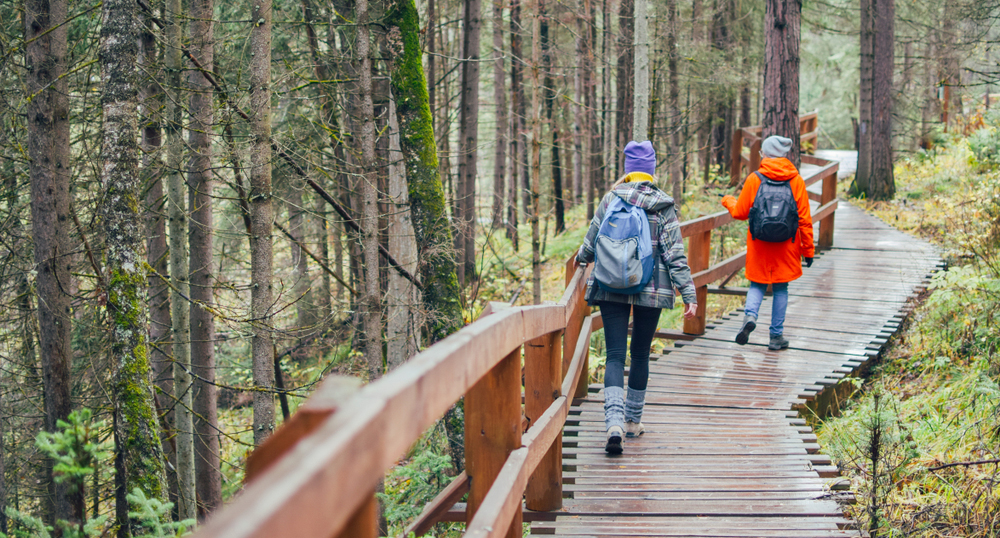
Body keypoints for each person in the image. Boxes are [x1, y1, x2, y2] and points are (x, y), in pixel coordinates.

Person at [576, 140, 698, 455]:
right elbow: (675, 255)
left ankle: (613, 422)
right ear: (652, 169)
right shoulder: (663, 204)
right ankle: (632, 422)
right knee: (640, 354)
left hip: (610, 286)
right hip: (652, 289)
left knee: (616, 355)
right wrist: (688, 292)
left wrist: (581, 260)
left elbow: (590, 243)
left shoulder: (611, 199)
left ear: (627, 169)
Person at [721, 135, 814, 351]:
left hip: (759, 244)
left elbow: (740, 212)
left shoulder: (755, 179)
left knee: (757, 284)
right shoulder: (796, 180)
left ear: (765, 154)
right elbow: (805, 221)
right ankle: (775, 336)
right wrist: (808, 251)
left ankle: (750, 317)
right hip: (787, 246)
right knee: (781, 289)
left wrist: (727, 200)